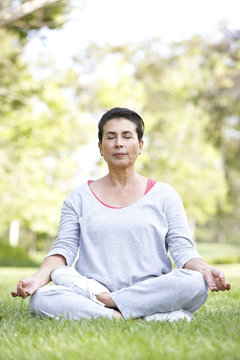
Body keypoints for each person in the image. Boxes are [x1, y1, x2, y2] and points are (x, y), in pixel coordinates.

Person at [12, 107, 231, 322]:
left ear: (140, 145)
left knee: (195, 282)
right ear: (100, 147)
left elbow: (183, 251)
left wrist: (206, 270)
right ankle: (138, 317)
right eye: (111, 137)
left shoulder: (165, 195)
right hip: (96, 288)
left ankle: (110, 304)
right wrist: (37, 279)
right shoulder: (78, 197)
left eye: (127, 136)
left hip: (145, 291)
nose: (119, 143)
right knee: (41, 298)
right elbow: (64, 249)